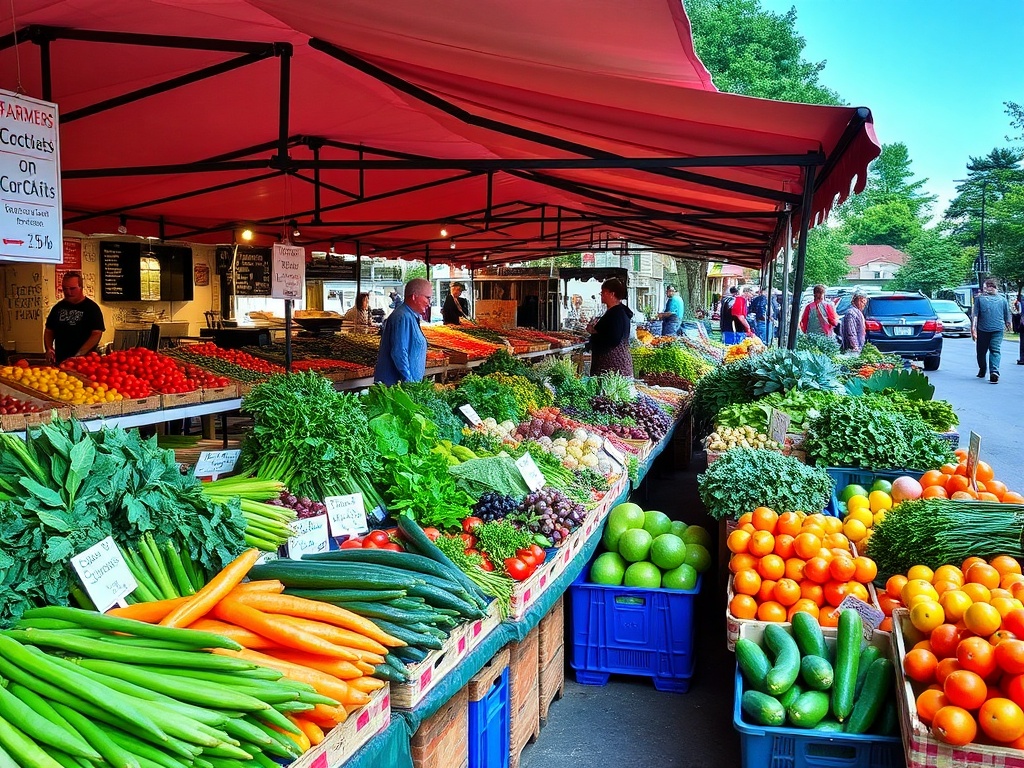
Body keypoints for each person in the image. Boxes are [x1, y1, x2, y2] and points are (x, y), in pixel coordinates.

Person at [374, 279, 431, 385]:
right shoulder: (403, 317)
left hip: (405, 388)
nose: (429, 303)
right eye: (427, 298)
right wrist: (409, 383)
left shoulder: (410, 316)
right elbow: (399, 352)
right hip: (397, 389)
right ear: (414, 297)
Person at [44, 272, 105, 364]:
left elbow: (96, 333)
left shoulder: (92, 308)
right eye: (65, 289)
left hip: (85, 361)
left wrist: (80, 353)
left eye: (72, 289)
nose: (68, 292)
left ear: (81, 287)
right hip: (61, 360)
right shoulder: (57, 308)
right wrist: (49, 349)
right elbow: (49, 331)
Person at [586, 278, 634, 376]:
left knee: (609, 390)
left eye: (603, 292)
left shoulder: (616, 314)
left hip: (612, 365)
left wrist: (593, 332)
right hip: (617, 363)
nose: (601, 295)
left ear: (612, 294)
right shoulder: (619, 312)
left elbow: (613, 339)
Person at [971, 278, 1011, 383]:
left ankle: (988, 371)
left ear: (989, 287)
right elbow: (1007, 316)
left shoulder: (982, 299)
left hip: (988, 329)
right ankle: (989, 370)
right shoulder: (1001, 299)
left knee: (986, 351)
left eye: (985, 287)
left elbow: (975, 315)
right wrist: (1008, 325)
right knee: (990, 351)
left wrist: (973, 329)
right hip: (993, 329)